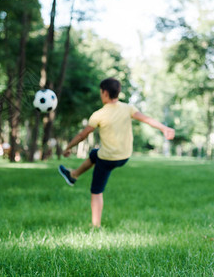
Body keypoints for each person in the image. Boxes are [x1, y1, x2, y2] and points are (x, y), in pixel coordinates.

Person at [58, 77, 175, 228]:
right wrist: (164, 128)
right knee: (94, 154)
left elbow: (82, 135)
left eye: (101, 92)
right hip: (124, 156)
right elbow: (146, 119)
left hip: (108, 159)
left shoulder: (98, 114)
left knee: (96, 191)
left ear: (105, 92)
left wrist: (68, 147)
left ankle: (96, 226)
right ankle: (73, 175)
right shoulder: (128, 108)